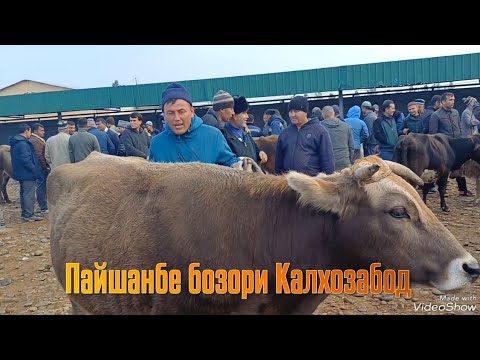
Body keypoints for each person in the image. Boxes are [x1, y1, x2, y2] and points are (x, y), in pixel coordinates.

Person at [149, 83, 240, 167]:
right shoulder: (157, 143)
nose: (176, 118)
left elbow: (229, 163)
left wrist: (237, 165)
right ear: (164, 116)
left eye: (181, 112)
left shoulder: (213, 136)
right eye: (170, 113)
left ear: (192, 112)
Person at [275, 96, 334, 176]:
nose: (292, 115)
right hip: (288, 182)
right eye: (290, 111)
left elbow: (327, 161)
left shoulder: (320, 132)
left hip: (311, 183)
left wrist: (328, 181)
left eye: (296, 111)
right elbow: (279, 160)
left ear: (305, 112)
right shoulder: (285, 133)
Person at [9, 123, 44, 221]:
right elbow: (26, 159)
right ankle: (29, 214)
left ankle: (25, 213)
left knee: (24, 193)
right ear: (27, 131)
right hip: (27, 173)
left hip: (20, 172)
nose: (30, 134)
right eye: (30, 132)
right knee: (29, 194)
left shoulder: (16, 142)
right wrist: (34, 170)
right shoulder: (23, 143)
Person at [221, 96, 267, 166]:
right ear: (234, 115)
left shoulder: (246, 132)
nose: (247, 116)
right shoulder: (224, 136)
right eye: (243, 113)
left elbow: (254, 148)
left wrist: (260, 153)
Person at [320, 105, 354, 171]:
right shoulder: (346, 126)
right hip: (344, 162)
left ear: (323, 116)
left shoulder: (319, 127)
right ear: (333, 113)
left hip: (327, 164)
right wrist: (349, 160)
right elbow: (351, 146)